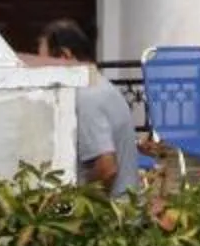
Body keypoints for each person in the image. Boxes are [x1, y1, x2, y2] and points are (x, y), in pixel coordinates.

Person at [38, 18, 141, 201]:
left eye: (44, 62)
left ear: (64, 56)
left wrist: (74, 204)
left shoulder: (86, 96)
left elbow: (106, 168)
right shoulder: (99, 83)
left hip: (113, 218)